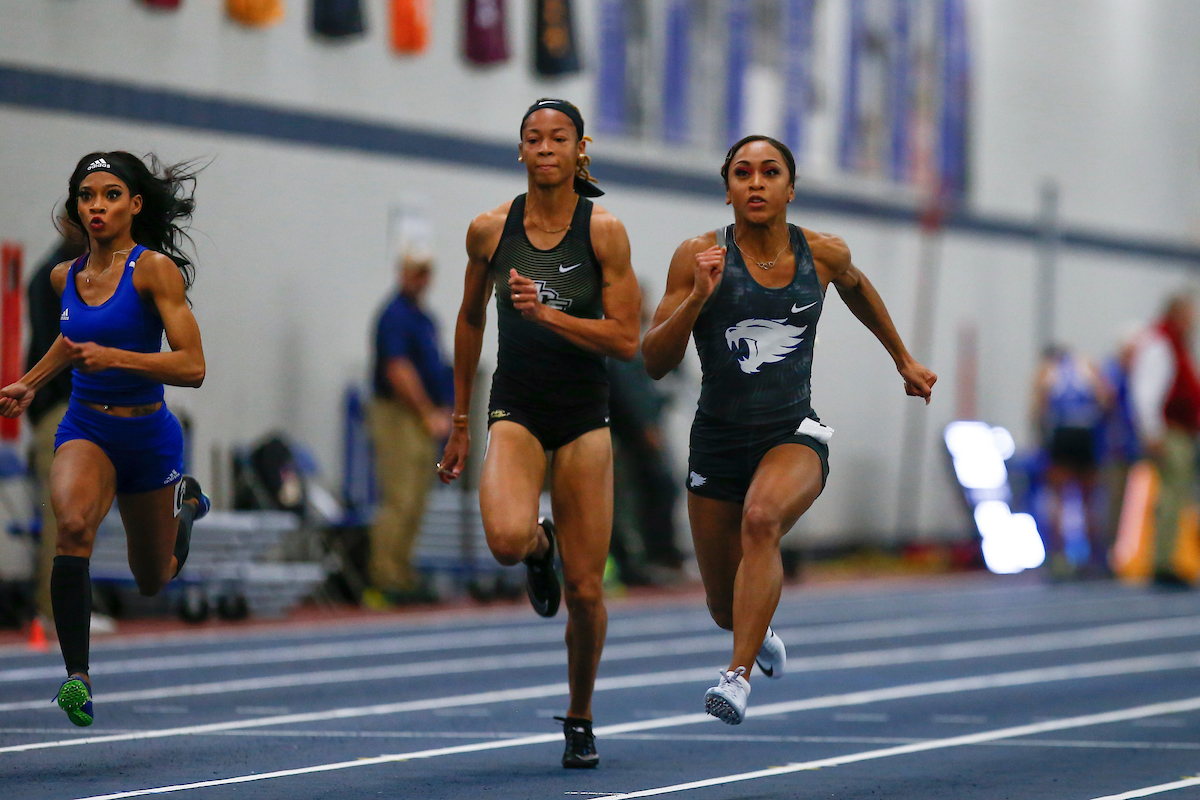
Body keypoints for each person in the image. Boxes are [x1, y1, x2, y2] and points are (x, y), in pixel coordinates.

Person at [642, 135, 936, 725]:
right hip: (717, 442)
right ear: (727, 190)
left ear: (790, 189)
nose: (756, 183)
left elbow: (856, 286)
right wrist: (697, 298)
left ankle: (736, 677)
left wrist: (902, 359)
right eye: (743, 173)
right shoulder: (696, 256)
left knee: (762, 519)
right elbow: (653, 361)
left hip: (792, 432)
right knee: (724, 608)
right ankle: (757, 632)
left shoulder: (822, 253)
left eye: (770, 172)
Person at [437, 98, 640, 768]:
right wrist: (460, 420)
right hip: (517, 406)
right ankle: (538, 543)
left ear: (581, 150)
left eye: (558, 138)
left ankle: (580, 716)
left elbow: (626, 339)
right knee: (503, 541)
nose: (545, 148)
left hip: (583, 415)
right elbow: (470, 319)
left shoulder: (604, 231)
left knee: (585, 590)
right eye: (534, 137)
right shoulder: (490, 230)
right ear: (520, 149)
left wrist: (549, 316)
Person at [0, 151, 210, 727]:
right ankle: (78, 677)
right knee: (70, 527)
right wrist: (27, 384)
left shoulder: (153, 271)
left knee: (153, 578)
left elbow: (192, 366)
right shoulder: (63, 276)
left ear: (134, 205)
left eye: (111, 195)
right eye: (87, 196)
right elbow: (70, 343)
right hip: (87, 425)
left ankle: (188, 506)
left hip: (147, 434)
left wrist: (117, 357)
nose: (97, 206)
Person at [364, 252, 452, 607]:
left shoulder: (425, 318)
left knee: (417, 500)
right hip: (399, 415)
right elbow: (398, 370)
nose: (421, 280)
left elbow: (437, 367)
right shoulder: (394, 315)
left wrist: (446, 410)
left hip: (425, 418)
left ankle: (402, 571)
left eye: (425, 273)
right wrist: (428, 411)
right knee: (399, 498)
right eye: (416, 273)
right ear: (402, 273)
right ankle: (383, 577)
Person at [25, 228, 87, 631]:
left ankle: (68, 606)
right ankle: (54, 610)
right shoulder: (53, 278)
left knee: (78, 512)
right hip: (59, 409)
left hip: (75, 405)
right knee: (65, 513)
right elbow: (62, 345)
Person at [1129, 294, 1200, 588]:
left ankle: (1167, 557)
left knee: (1176, 496)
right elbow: (1146, 390)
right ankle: (1163, 561)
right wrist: (1152, 431)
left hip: (1179, 431)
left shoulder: (1176, 343)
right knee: (1170, 496)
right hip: (1170, 431)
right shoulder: (1161, 342)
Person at [1030, 345, 1112, 577]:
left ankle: (1058, 558)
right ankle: (1094, 558)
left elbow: (1038, 409)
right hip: (1085, 433)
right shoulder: (1087, 365)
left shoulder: (1048, 371)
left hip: (1063, 433)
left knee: (1058, 499)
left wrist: (1042, 441)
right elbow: (1106, 399)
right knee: (1089, 500)